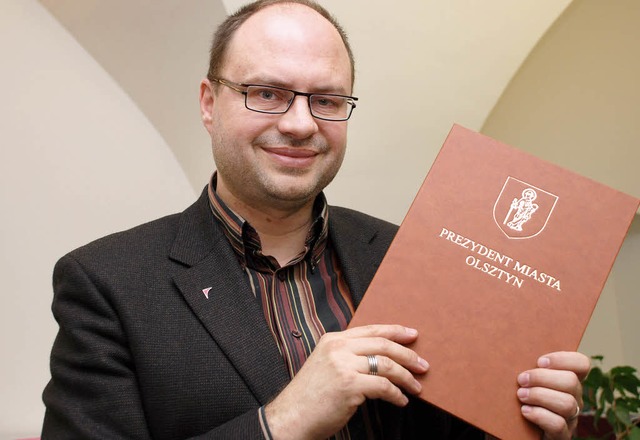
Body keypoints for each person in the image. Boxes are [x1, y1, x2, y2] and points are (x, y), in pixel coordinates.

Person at [42, 1, 590, 439]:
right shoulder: (107, 284)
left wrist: (527, 421)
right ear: (209, 103)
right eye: (267, 93)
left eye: (327, 100)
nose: (302, 124)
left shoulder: (409, 254)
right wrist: (281, 423)